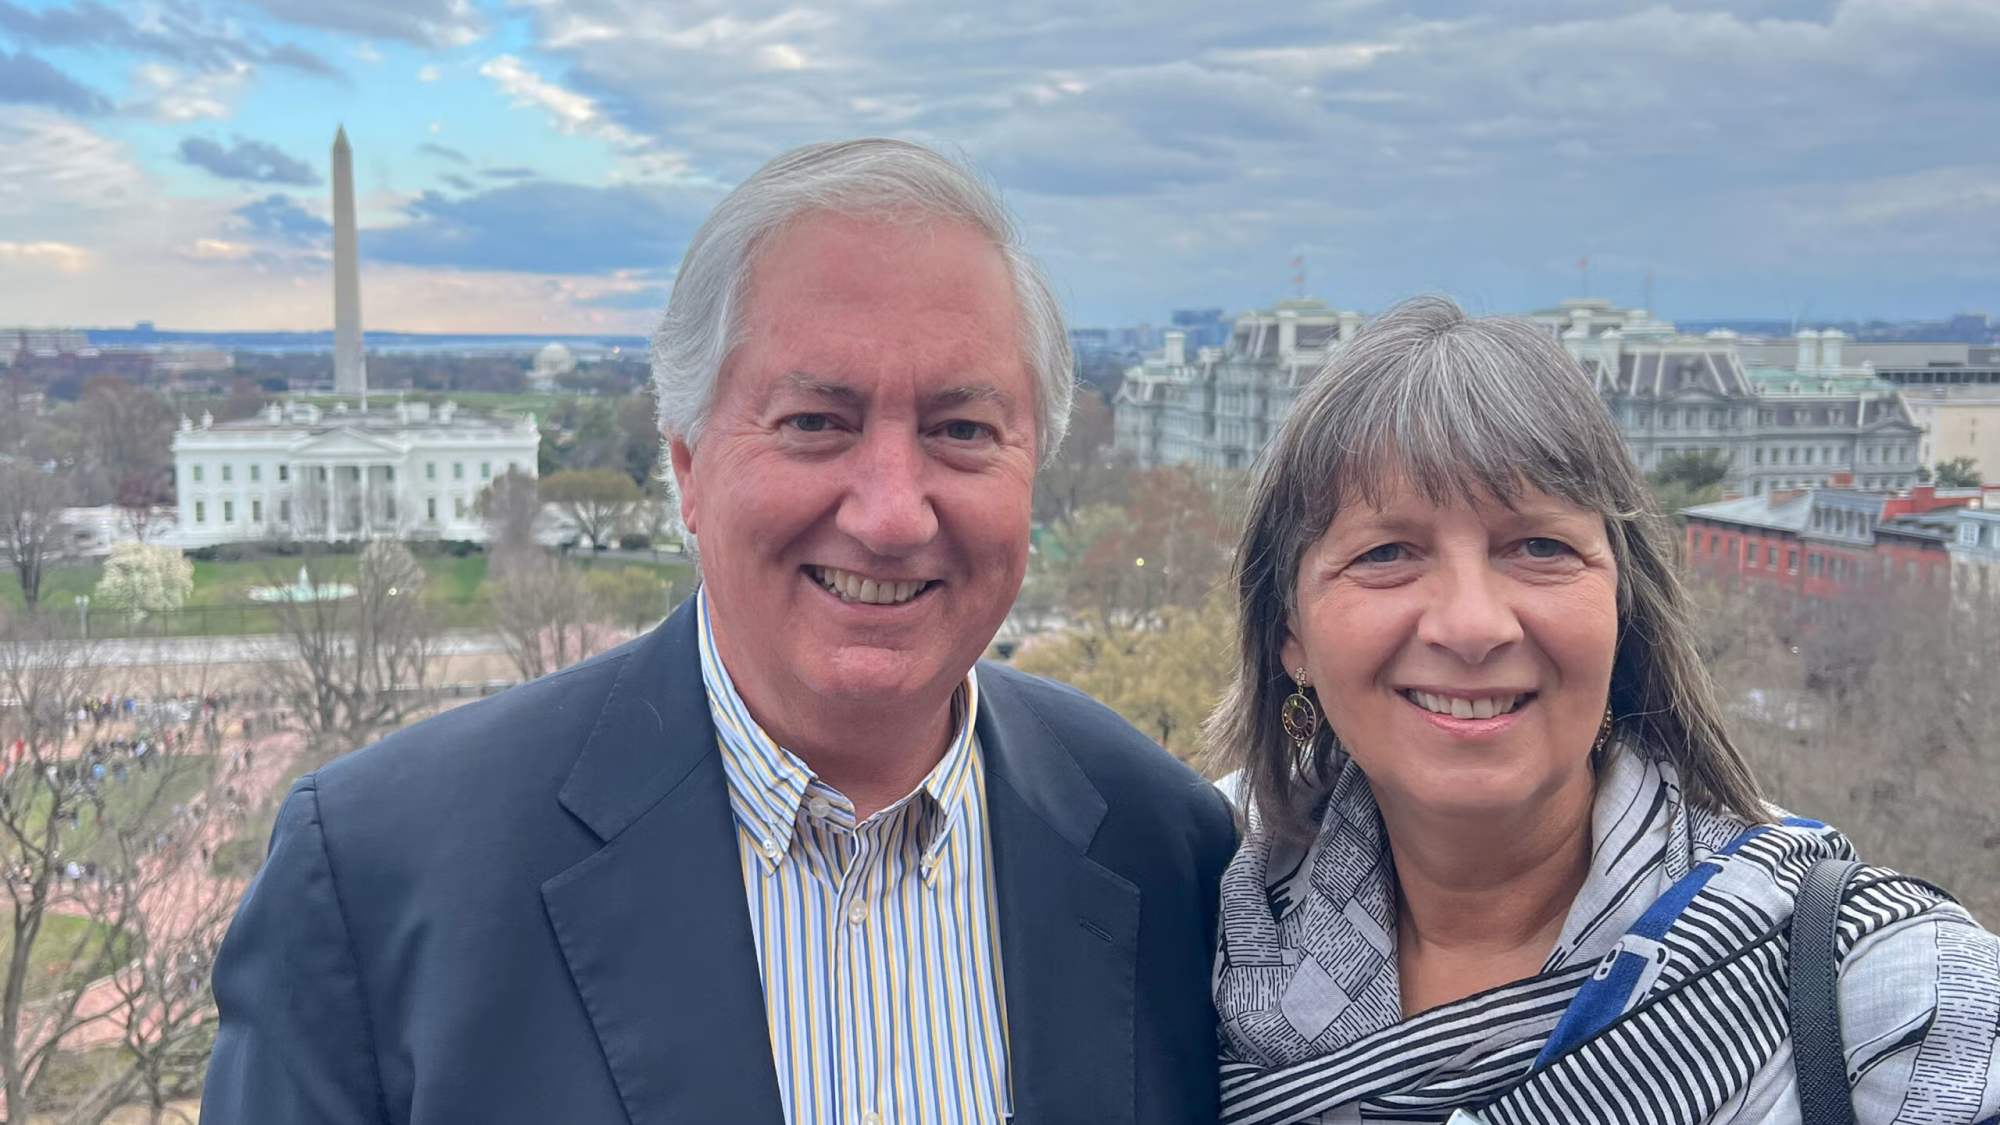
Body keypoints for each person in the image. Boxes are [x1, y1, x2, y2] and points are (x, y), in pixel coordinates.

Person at [202, 139, 1236, 1124]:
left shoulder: (1174, 852)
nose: (888, 514)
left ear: (1031, 468)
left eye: (960, 431)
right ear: (689, 469)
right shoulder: (378, 878)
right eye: (812, 422)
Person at [1207, 297, 2000, 1125]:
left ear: (1624, 609)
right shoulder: (1178, 903)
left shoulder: (1868, 990)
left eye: (1539, 546)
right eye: (1386, 553)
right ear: (1287, 632)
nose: (1473, 625)